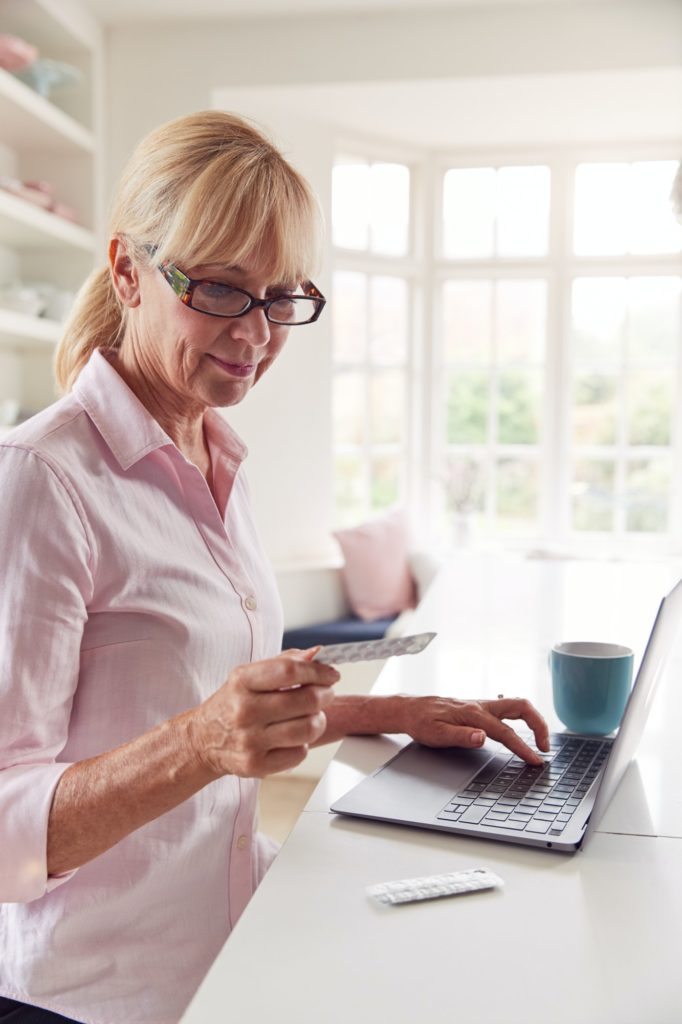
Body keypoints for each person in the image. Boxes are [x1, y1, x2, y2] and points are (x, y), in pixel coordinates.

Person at [0, 111, 549, 1024]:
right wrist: (198, 744)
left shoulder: (219, 457)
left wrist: (401, 714)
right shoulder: (42, 480)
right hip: (93, 1000)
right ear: (128, 272)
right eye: (221, 289)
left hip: (230, 960)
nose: (256, 332)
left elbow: (217, 711)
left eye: (284, 296)